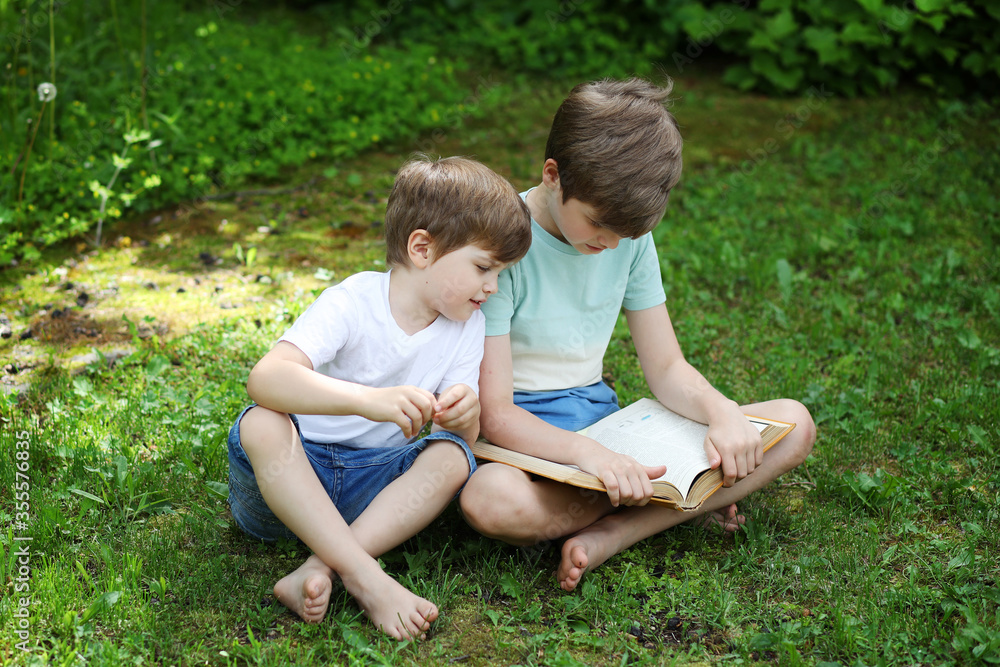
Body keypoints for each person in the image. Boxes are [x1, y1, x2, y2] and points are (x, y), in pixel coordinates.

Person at [458, 78, 817, 592]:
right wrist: (591, 459)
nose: (609, 243)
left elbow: (667, 368)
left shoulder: (628, 240)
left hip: (605, 427)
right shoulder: (505, 244)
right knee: (488, 500)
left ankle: (616, 530)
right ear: (553, 175)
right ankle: (670, 501)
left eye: (626, 234)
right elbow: (496, 414)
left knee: (794, 425)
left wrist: (722, 413)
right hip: (529, 445)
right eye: (599, 224)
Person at [226, 156, 531, 639]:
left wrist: (464, 413)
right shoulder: (352, 302)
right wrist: (368, 401)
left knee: (453, 456)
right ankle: (365, 577)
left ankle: (321, 565)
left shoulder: (468, 325)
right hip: (290, 484)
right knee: (259, 423)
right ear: (422, 248)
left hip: (377, 493)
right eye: (483, 268)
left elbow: (463, 435)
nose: (493, 287)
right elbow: (266, 379)